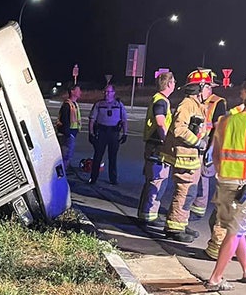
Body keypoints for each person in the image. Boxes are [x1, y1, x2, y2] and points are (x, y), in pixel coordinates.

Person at [203, 89, 246, 291]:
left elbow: (215, 153)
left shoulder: (225, 121)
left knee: (236, 229)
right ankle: (215, 278)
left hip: (225, 181)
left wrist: (223, 173)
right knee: (235, 231)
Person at [161, 69, 213, 242]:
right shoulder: (187, 105)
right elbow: (179, 129)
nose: (210, 91)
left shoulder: (197, 105)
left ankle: (180, 223)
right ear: (200, 87)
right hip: (185, 157)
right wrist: (198, 142)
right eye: (208, 87)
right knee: (184, 191)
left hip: (191, 157)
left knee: (189, 192)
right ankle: (174, 228)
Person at [136, 71, 175, 227]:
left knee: (153, 180)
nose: (175, 85)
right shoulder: (161, 101)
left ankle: (146, 213)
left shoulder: (159, 99)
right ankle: (149, 215)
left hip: (154, 146)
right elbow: (160, 122)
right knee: (157, 181)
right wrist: (167, 142)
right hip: (157, 146)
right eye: (174, 82)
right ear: (169, 84)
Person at [190, 78, 227, 219]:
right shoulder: (200, 101)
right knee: (196, 176)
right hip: (198, 144)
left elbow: (218, 127)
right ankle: (193, 206)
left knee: (203, 177)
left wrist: (211, 148)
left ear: (207, 87)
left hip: (209, 144)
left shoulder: (217, 103)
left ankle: (198, 209)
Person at [87, 84, 128, 185]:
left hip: (114, 133)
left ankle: (113, 179)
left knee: (113, 157)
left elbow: (124, 120)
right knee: (97, 157)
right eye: (105, 92)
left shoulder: (119, 104)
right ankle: (93, 178)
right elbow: (92, 120)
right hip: (101, 133)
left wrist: (125, 133)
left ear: (113, 93)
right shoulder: (99, 104)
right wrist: (91, 133)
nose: (106, 94)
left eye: (108, 92)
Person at [56, 84, 82, 169]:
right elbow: (65, 121)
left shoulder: (74, 104)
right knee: (66, 156)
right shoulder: (67, 105)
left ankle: (65, 170)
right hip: (68, 134)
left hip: (72, 133)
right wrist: (68, 134)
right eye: (78, 90)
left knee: (67, 155)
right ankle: (63, 174)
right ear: (72, 91)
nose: (80, 92)